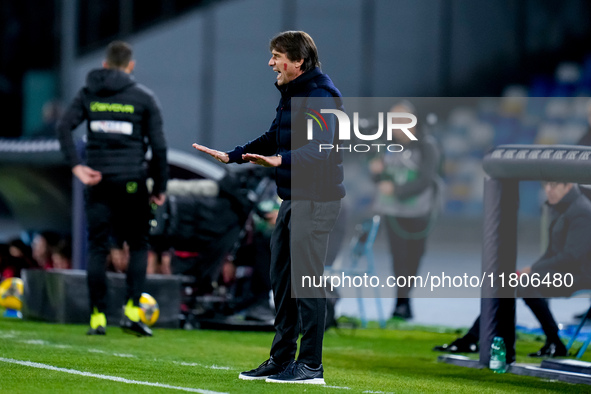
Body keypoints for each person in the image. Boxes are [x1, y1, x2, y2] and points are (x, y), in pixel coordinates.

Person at [193, 31, 344, 385]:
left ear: (298, 62)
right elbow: (274, 136)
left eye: (276, 56)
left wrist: (279, 160)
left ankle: (310, 366)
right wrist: (233, 155)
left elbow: (322, 147)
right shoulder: (293, 94)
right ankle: (280, 360)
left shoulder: (320, 95)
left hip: (317, 200)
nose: (270, 63)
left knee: (306, 282)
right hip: (294, 198)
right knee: (282, 278)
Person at [56, 40, 168, 336]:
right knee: (139, 244)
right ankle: (132, 311)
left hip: (98, 180)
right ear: (130, 66)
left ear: (104, 65)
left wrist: (77, 167)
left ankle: (97, 318)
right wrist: (160, 185)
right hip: (132, 181)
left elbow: (63, 127)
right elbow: (159, 147)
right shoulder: (144, 98)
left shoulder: (88, 93)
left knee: (98, 247)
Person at [434, 182, 591, 357]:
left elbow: (572, 256)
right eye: (546, 186)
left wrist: (533, 270)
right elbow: (553, 252)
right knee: (511, 283)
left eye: (554, 186)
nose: (548, 190)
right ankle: (473, 339)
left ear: (568, 186)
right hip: (569, 271)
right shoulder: (564, 209)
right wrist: (532, 269)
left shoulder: (581, 212)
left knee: (523, 285)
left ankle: (553, 342)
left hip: (582, 274)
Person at [369, 101, 442, 319]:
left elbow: (426, 179)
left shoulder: (427, 146)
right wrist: (376, 172)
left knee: (415, 256)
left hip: (420, 211)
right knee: (398, 257)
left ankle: (405, 297)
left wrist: (397, 189)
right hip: (393, 212)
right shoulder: (385, 145)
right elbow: (378, 178)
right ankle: (401, 302)